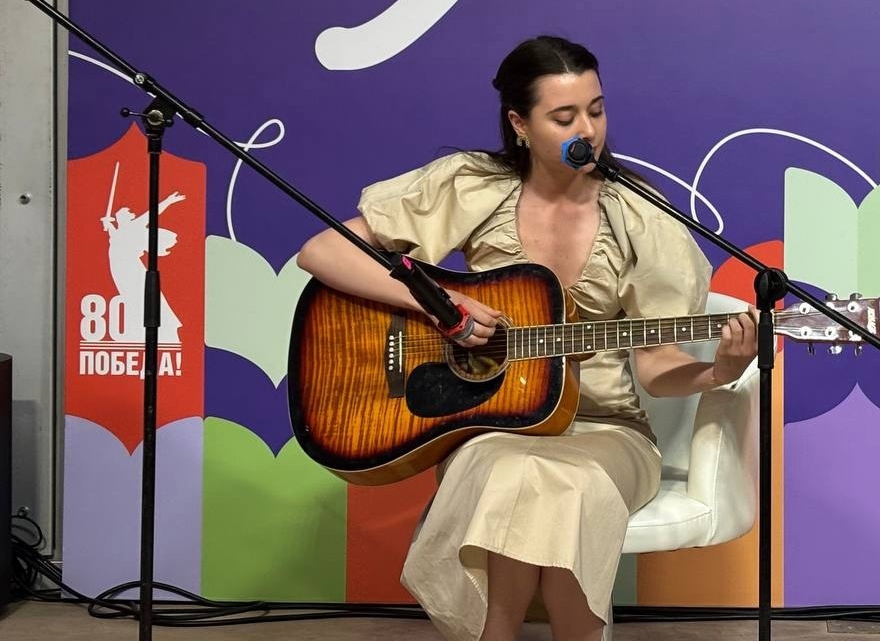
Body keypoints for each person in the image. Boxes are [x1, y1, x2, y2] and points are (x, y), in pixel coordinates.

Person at [297, 35, 758, 641]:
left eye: (596, 110)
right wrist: (441, 307)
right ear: (520, 124)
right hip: (495, 427)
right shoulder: (474, 186)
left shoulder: (641, 216)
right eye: (564, 117)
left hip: (607, 431)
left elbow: (655, 368)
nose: (587, 130)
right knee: (512, 471)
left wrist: (720, 371)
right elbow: (322, 251)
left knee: (563, 485)